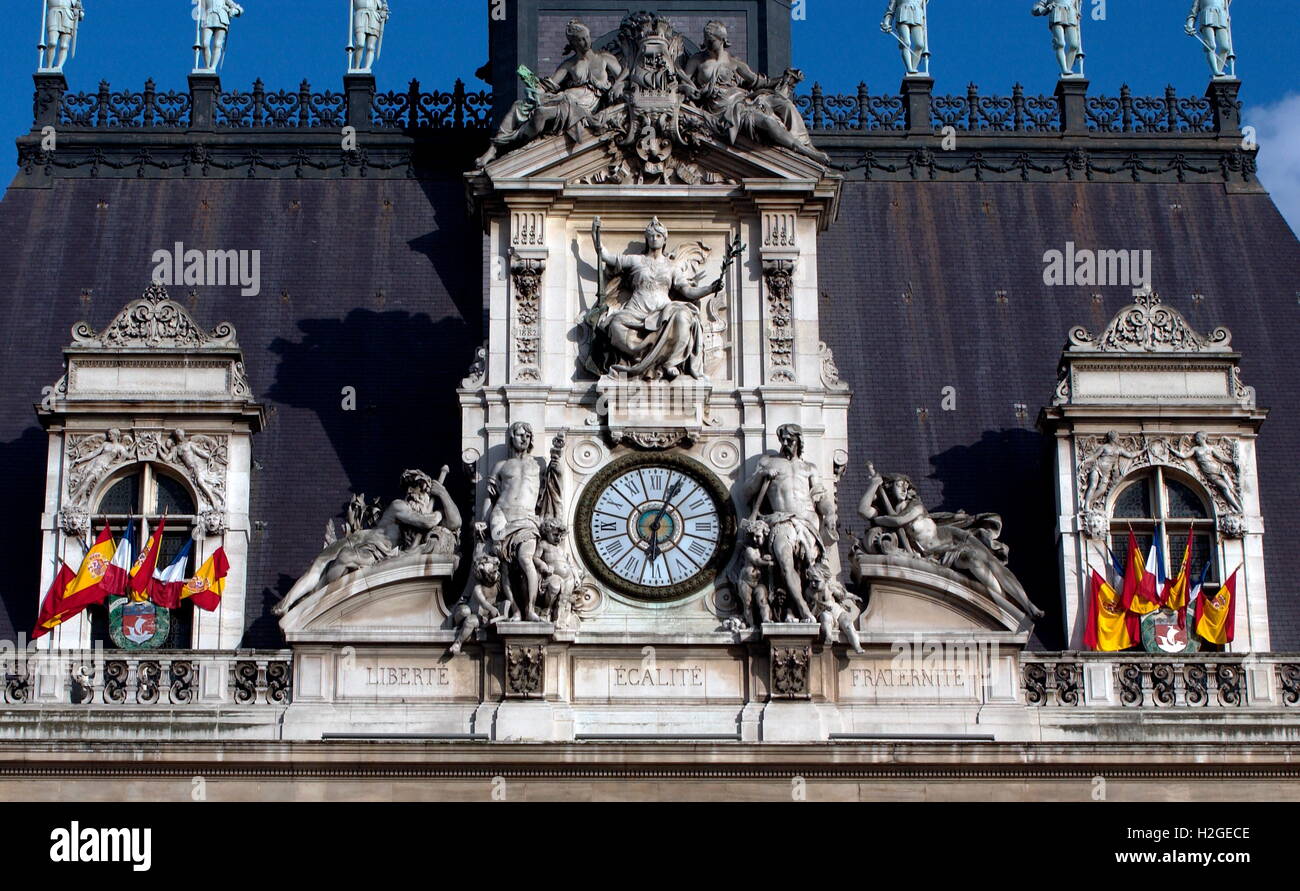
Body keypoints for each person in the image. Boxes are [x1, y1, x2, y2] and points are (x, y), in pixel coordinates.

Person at [858, 470, 1046, 621]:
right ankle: (1002, 606)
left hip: (952, 539)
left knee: (991, 564)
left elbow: (898, 521)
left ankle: (1022, 605)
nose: (904, 489)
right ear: (889, 487)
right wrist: (874, 485)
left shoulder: (915, 505)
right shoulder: (888, 510)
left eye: (906, 486)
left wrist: (881, 519)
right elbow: (863, 510)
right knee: (976, 562)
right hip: (937, 554)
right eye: (900, 485)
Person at [475, 20, 622, 167]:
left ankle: (517, 144)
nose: (585, 42)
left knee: (541, 114)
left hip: (582, 106)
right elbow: (546, 86)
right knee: (518, 106)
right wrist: (530, 80)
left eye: (587, 37)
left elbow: (623, 78)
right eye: (580, 40)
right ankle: (493, 149)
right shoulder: (569, 64)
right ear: (574, 44)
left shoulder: (604, 58)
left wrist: (618, 86)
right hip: (565, 99)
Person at [591, 216, 721, 380]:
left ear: (664, 239)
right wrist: (595, 235)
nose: (654, 239)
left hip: (664, 310)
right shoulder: (635, 260)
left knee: (683, 317)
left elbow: (687, 291)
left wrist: (710, 289)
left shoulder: (672, 266)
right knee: (615, 324)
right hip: (636, 309)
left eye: (658, 235)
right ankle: (640, 358)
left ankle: (669, 362)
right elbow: (606, 256)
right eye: (651, 236)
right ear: (647, 239)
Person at [682, 21, 829, 166]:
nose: (706, 43)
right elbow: (683, 81)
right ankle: (805, 152)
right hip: (721, 109)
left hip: (741, 103)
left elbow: (759, 82)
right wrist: (689, 89)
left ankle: (806, 146)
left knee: (784, 103)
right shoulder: (697, 60)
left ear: (722, 40)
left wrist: (786, 78)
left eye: (711, 40)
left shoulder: (735, 63)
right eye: (706, 39)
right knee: (767, 122)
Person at [1031, 0, 1084, 77]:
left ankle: (1068, 70)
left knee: (1074, 45)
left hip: (1071, 15)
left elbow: (1077, 5)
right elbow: (1035, 9)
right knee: (1060, 43)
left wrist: (1077, 11)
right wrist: (1045, 9)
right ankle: (1064, 70)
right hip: (1057, 13)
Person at [1186, 0, 1235, 78]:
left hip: (1221, 16)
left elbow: (1227, 5)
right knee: (1211, 46)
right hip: (1207, 16)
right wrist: (1190, 23)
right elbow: (1194, 11)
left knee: (1225, 47)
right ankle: (1216, 71)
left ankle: (1218, 71)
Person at [41, 0, 85, 72]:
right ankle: (49, 66)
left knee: (64, 46)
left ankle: (59, 66)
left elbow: (81, 14)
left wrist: (78, 12)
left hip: (68, 17)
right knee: (52, 43)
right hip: (54, 13)